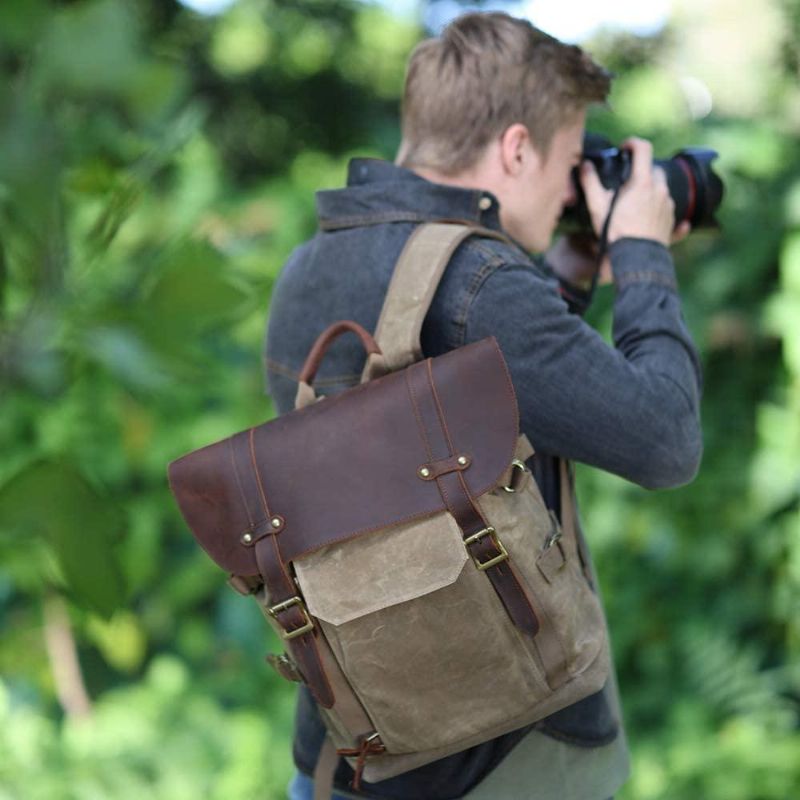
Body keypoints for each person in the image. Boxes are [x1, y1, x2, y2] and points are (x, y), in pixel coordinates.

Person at [265, 11, 702, 800]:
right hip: (502, 762)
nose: (571, 190)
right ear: (517, 147)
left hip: (347, 755)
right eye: (570, 160)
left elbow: (446, 415)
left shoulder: (306, 269)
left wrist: (566, 275)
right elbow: (666, 441)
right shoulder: (483, 282)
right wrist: (641, 253)